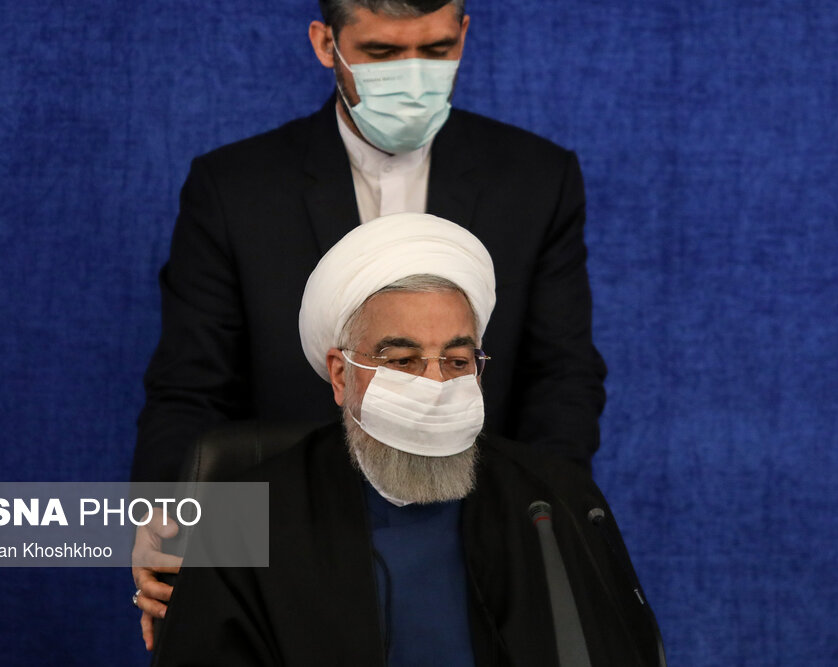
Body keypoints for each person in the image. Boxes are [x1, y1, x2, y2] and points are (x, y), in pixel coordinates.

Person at [132, 0, 608, 649]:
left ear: (464, 33)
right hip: (288, 536)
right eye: (382, 53)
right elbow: (190, 385)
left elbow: (562, 375)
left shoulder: (535, 178)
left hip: (477, 526)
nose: (413, 75)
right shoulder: (235, 187)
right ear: (325, 43)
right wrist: (167, 517)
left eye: (436, 50)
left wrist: (539, 526)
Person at [149, 214, 656, 666]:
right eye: (403, 360)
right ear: (341, 375)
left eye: (457, 361)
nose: (435, 384)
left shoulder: (553, 501)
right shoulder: (240, 515)